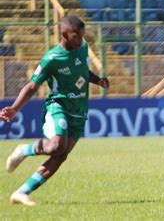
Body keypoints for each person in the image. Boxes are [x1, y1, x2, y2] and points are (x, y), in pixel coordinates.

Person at [0, 15, 109, 206]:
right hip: (58, 107)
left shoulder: (82, 48)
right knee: (56, 146)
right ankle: (24, 150)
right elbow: (32, 86)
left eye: (83, 36)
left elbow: (82, 70)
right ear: (64, 34)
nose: (81, 40)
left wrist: (98, 80)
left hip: (79, 111)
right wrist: (15, 108)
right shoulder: (52, 58)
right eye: (77, 36)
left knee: (61, 154)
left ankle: (21, 192)